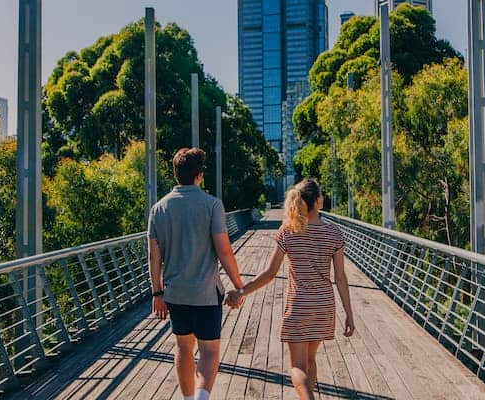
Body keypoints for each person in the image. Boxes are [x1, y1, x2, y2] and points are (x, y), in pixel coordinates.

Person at [226, 179, 355, 400]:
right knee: (310, 360)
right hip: (324, 306)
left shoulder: (289, 231)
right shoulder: (333, 232)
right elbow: (340, 278)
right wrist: (349, 314)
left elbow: (270, 272)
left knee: (297, 366)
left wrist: (241, 291)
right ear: (317, 201)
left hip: (299, 306)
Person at [147, 148, 245, 400]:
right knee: (209, 351)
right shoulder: (211, 205)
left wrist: (157, 293)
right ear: (199, 175)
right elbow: (223, 250)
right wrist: (238, 285)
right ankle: (201, 398)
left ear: (176, 174)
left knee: (182, 347)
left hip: (175, 293)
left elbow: (153, 257)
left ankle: (189, 399)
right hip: (205, 293)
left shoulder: (158, 209)